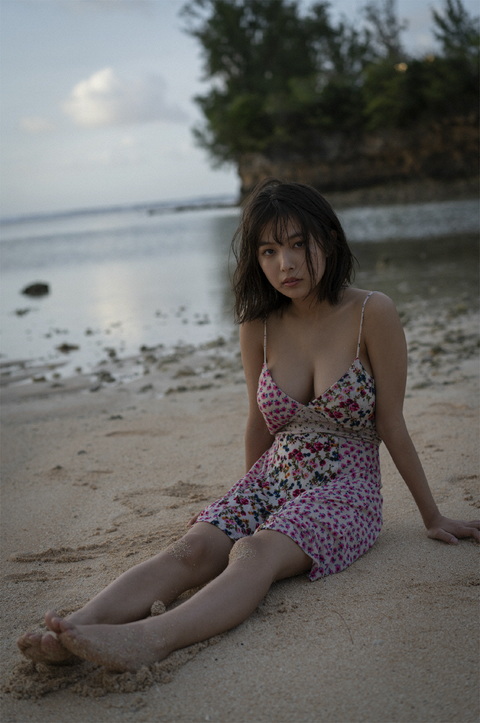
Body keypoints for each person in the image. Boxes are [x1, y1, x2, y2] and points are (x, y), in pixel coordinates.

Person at [17, 179, 479, 673]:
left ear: (329, 239)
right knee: (194, 548)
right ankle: (72, 629)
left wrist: (432, 515)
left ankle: (148, 640)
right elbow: (258, 424)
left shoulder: (371, 313)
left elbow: (392, 422)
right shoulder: (258, 326)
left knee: (255, 552)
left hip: (345, 492)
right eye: (269, 251)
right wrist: (244, 500)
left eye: (299, 244)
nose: (286, 264)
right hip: (272, 481)